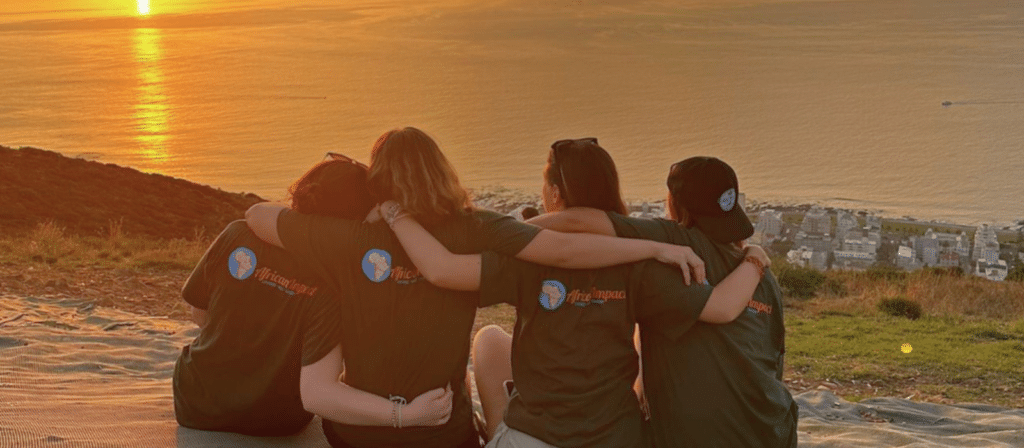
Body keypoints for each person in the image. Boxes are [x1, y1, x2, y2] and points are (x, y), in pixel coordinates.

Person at [244, 128, 707, 448]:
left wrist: (365, 216)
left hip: (357, 437)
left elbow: (256, 216)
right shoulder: (476, 228)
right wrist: (653, 247)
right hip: (444, 433)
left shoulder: (347, 239)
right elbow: (564, 251)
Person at [381, 138, 768, 446]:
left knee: (488, 341)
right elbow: (719, 307)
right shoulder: (643, 260)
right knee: (641, 336)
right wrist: (753, 259)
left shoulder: (525, 259)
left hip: (538, 434)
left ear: (554, 193)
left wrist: (396, 215)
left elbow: (445, 270)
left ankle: (499, 430)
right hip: (614, 434)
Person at [529, 156, 798, 448]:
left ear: (676, 205)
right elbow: (773, 362)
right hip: (774, 430)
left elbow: (577, 221)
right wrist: (755, 257)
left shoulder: (675, 243)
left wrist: (512, 231)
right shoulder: (763, 278)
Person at [173, 157, 452, 437]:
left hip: (195, 403)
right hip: (274, 420)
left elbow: (200, 314)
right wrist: (405, 415)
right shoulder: (336, 283)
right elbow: (318, 394)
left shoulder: (237, 233)